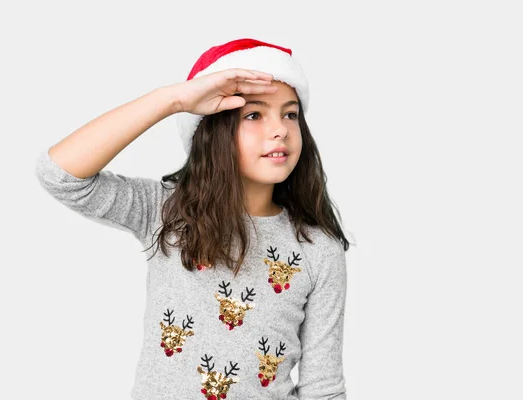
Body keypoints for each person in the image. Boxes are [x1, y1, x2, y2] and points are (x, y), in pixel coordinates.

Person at [35, 37, 351, 400]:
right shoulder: (166, 211)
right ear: (212, 129)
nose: (279, 128)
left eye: (290, 114)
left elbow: (323, 389)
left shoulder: (317, 248)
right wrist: (175, 101)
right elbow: (59, 175)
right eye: (253, 114)